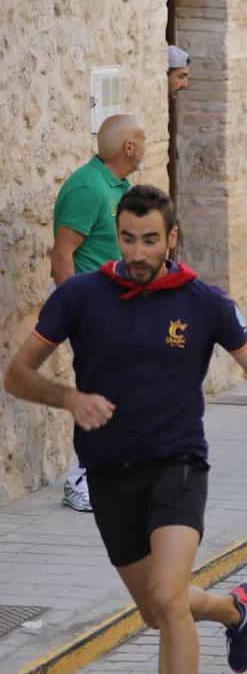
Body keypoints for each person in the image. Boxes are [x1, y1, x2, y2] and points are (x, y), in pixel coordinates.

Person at [2, 184, 247, 674]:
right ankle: (235, 609)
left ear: (171, 238)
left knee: (169, 598)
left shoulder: (204, 303)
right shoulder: (81, 296)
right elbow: (17, 374)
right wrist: (68, 397)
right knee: (155, 609)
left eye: (151, 239)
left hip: (177, 465)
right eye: (128, 238)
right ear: (117, 237)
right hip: (110, 475)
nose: (138, 251)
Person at [50, 114, 146, 511]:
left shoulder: (118, 186)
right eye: (142, 139)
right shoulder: (88, 188)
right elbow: (61, 253)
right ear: (128, 148)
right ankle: (78, 479)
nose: (145, 146)